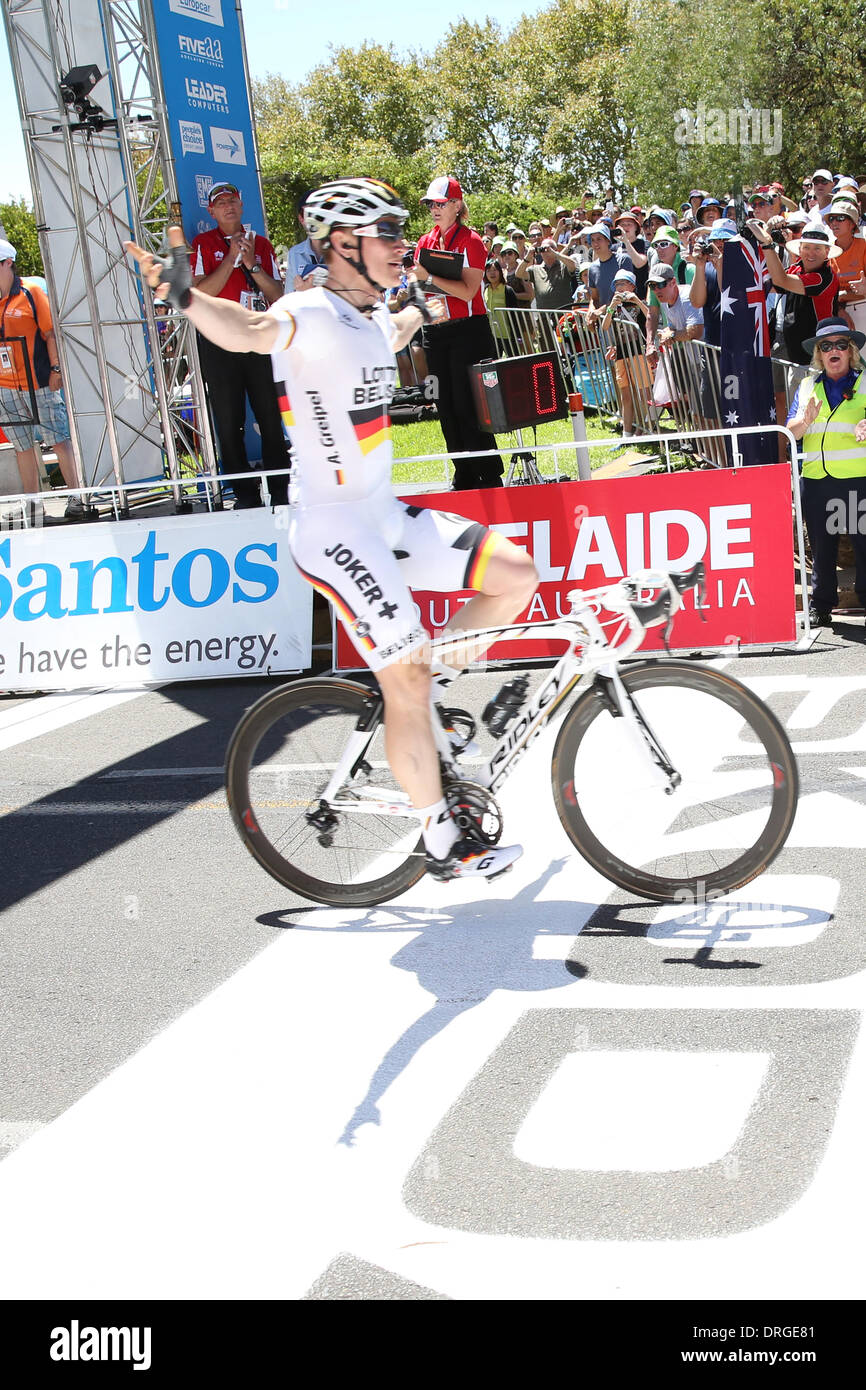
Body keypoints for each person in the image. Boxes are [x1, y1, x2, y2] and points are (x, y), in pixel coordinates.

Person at [126, 179, 537, 881]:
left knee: (515, 577)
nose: (402, 245)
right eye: (387, 233)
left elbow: (398, 327)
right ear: (343, 244)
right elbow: (249, 331)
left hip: (383, 514)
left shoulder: (372, 315)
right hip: (333, 530)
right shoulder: (307, 313)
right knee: (404, 676)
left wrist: (416, 310)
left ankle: (420, 691)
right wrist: (186, 296)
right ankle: (443, 838)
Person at [190, 180, 290, 507]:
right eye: (221, 203)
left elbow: (277, 295)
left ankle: (280, 488)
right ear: (212, 211)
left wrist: (252, 265)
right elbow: (200, 293)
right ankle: (244, 493)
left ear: (241, 205)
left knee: (270, 416)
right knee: (229, 419)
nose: (228, 206)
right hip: (220, 341)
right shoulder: (203, 243)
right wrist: (230, 257)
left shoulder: (260, 244)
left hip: (259, 335)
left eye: (232, 200)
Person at [411, 176, 504, 490]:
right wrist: (411, 287)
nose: (435, 209)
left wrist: (429, 278)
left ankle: (489, 473)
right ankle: (462, 471)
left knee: (471, 405)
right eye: (432, 204)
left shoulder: (471, 241)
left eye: (441, 203)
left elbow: (467, 292)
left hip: (468, 330)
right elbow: (419, 283)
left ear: (456, 204)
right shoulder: (425, 241)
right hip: (436, 332)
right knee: (445, 405)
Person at [785, 317, 866, 625]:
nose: (834, 350)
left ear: (851, 351)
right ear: (819, 354)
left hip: (855, 480)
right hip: (817, 481)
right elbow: (790, 432)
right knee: (821, 547)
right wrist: (804, 421)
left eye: (841, 345)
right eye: (827, 346)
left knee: (863, 544)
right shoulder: (807, 386)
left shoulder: (865, 383)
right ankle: (821, 605)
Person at [0, 238, 84, 518]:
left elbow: (50, 333)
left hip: (40, 381)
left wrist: (57, 369)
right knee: (22, 446)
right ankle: (33, 505)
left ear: (8, 263)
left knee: (59, 440)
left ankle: (77, 497)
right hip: (6, 386)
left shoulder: (32, 289)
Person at [826, 199, 866, 336]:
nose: (834, 223)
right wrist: (839, 309)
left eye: (840, 218)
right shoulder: (827, 251)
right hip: (837, 312)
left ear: (852, 224)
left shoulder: (863, 247)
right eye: (831, 219)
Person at [283, 188, 326, 293]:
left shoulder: (342, 249)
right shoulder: (295, 253)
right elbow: (288, 298)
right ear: (301, 219)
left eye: (319, 214)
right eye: (309, 214)